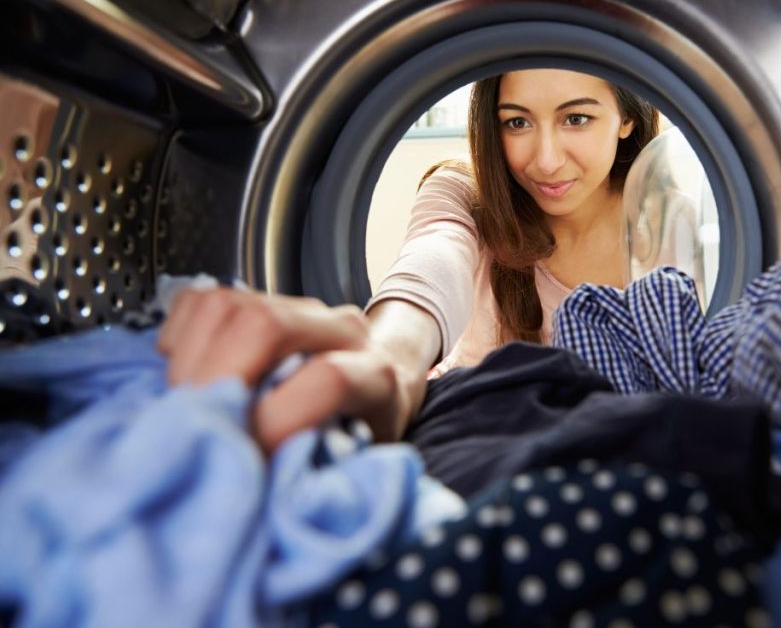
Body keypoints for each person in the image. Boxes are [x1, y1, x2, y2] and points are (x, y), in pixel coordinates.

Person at [158, 69, 659, 451]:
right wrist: (389, 358)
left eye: (576, 118)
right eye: (517, 121)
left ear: (626, 118)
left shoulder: (668, 219)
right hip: (473, 438)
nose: (545, 159)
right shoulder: (463, 191)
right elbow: (432, 259)